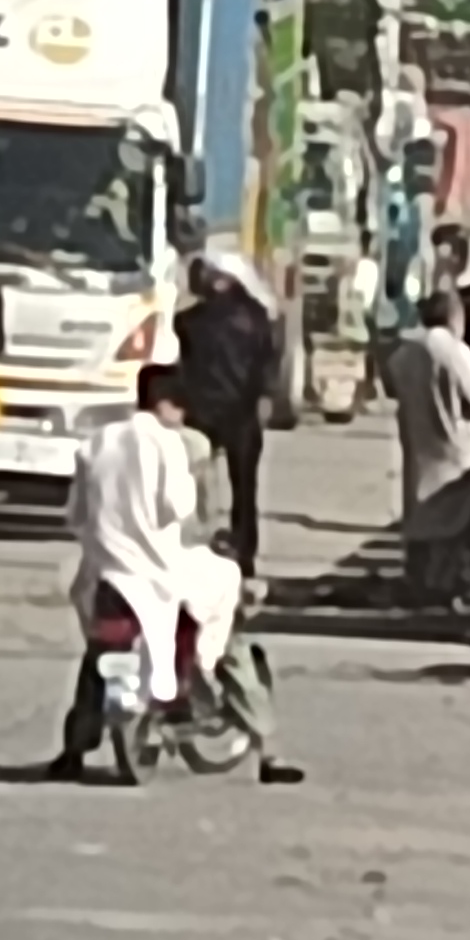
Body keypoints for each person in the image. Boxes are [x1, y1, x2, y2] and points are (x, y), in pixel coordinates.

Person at [55, 363, 291, 774]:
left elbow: (75, 516)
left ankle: (73, 751)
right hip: (167, 572)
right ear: (167, 405)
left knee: (99, 653)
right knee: (227, 629)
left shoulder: (95, 444)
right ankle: (268, 750)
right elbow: (186, 516)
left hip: (107, 573)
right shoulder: (181, 447)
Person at [385, 286, 470, 605]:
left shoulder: (404, 351)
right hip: (460, 452)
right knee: (455, 524)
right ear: (454, 317)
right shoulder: (454, 350)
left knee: (422, 518)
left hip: (420, 447)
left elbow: (391, 386)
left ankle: (421, 585)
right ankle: (448, 586)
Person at [172, 247, 282, 569]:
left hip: (200, 414)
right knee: (244, 488)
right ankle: (244, 552)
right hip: (242, 414)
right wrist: (265, 400)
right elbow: (269, 366)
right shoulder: (258, 320)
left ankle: (193, 545)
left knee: (192, 484)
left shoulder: (188, 322)